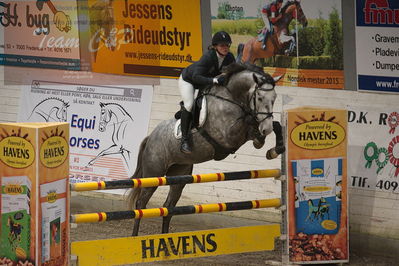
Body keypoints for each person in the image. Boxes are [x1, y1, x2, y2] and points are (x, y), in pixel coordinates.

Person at [178, 31, 235, 154]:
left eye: (227, 45)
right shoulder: (208, 57)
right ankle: (184, 140)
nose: (225, 48)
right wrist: (214, 80)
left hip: (205, 82)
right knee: (189, 105)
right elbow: (196, 77)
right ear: (215, 46)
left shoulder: (230, 57)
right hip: (189, 80)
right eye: (222, 45)